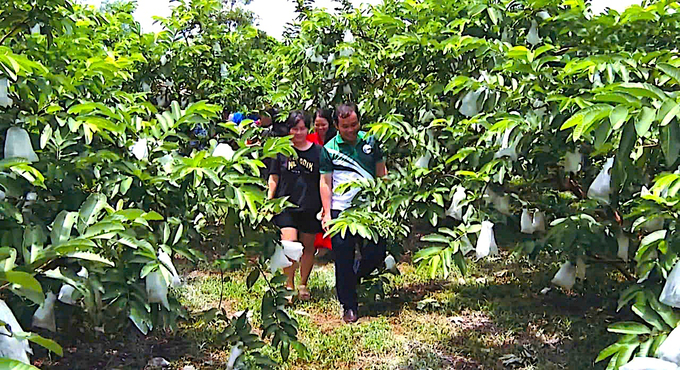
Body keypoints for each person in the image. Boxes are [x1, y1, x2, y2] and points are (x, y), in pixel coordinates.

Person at [319, 102, 388, 323]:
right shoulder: (329, 149)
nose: (351, 130)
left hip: (369, 209)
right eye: (346, 126)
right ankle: (349, 305)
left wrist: (385, 201)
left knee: (378, 251)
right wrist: (328, 214)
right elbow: (325, 182)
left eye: (354, 124)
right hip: (342, 211)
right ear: (337, 126)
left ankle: (354, 276)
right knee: (343, 256)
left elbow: (381, 172)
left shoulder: (371, 141)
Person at [268, 110, 322, 301]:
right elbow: (274, 176)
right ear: (288, 130)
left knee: (308, 247)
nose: (298, 133)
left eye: (302, 128)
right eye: (294, 129)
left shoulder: (318, 152)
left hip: (310, 206)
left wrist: (325, 207)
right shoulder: (281, 150)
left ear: (308, 129)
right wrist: (269, 199)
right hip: (286, 206)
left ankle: (303, 284)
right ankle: (288, 285)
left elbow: (324, 181)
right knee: (289, 246)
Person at [307, 109, 336, 253]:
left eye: (323, 124)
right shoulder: (310, 139)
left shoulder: (335, 139)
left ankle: (329, 246)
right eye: (317, 125)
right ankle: (319, 246)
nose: (320, 128)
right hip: (313, 181)